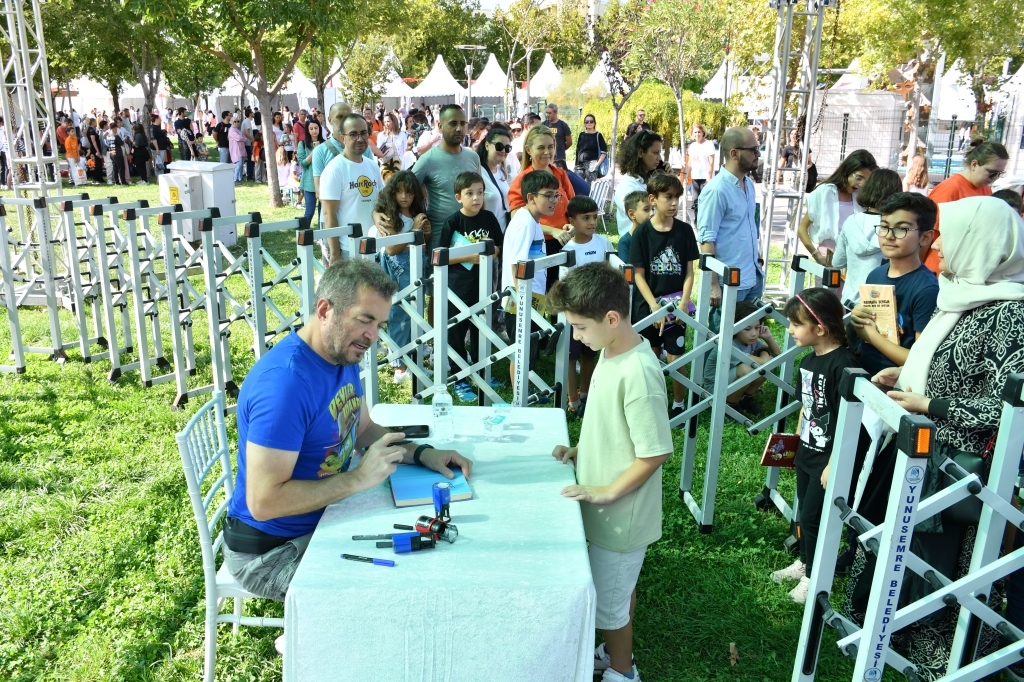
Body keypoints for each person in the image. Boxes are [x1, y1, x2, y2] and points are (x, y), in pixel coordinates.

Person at [222, 258, 473, 610]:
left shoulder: (340, 357)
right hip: (271, 551)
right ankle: (308, 642)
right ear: (325, 309)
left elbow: (364, 428)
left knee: (421, 557)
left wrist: (420, 453)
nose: (373, 336)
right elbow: (263, 503)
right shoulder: (285, 385)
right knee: (391, 594)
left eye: (380, 324)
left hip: (324, 520)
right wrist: (357, 480)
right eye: (365, 320)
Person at [847, 197, 1024, 680]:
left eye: (951, 234)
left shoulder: (1012, 316)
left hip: (959, 477)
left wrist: (929, 405)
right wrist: (901, 376)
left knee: (938, 573)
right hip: (918, 455)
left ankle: (937, 660)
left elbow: (1011, 409)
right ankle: (884, 637)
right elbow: (936, 363)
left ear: (983, 244)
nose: (939, 242)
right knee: (897, 555)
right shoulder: (957, 295)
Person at [548, 262, 673, 682]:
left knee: (610, 604)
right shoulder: (609, 351)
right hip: (608, 510)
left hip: (621, 517)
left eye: (580, 327)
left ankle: (622, 671)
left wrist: (605, 493)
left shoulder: (639, 372)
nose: (576, 336)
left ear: (612, 319)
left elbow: (653, 453)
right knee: (619, 591)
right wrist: (581, 450)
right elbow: (614, 430)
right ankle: (614, 652)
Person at [770, 288, 866, 604]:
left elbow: (850, 421)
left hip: (829, 457)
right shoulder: (808, 361)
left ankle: (815, 577)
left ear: (820, 328)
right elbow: (807, 407)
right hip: (808, 451)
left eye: (796, 325)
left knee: (814, 516)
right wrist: (796, 441)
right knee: (804, 511)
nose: (789, 330)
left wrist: (833, 463)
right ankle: (805, 563)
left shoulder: (845, 365)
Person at [629, 173, 699, 416]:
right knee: (649, 356)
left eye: (677, 198)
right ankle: (650, 403)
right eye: (668, 197)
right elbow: (638, 275)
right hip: (647, 307)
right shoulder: (641, 234)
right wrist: (654, 307)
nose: (674, 203)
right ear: (653, 199)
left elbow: (690, 272)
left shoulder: (685, 231)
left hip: (677, 306)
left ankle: (679, 404)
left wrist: (683, 303)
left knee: (675, 357)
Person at [849, 192, 939, 377]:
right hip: (863, 370)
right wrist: (859, 317)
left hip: (892, 382)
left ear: (925, 238)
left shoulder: (927, 289)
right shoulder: (876, 274)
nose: (889, 236)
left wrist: (871, 336)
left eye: (901, 229)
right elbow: (870, 326)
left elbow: (920, 360)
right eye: (884, 227)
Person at [437, 171, 505, 402]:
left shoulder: (489, 218)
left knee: (481, 332)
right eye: (470, 194)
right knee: (456, 334)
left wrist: (489, 252)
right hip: (457, 290)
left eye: (480, 193)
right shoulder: (453, 222)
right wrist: (467, 256)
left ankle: (482, 371)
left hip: (484, 288)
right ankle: (459, 379)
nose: (476, 198)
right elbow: (440, 256)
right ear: (459, 197)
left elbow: (498, 246)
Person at [696, 127, 764, 322]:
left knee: (747, 344)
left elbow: (747, 225)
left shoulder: (749, 184)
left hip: (752, 276)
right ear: (734, 153)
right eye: (753, 150)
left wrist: (756, 259)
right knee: (722, 345)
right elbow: (707, 241)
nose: (757, 154)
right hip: (728, 283)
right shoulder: (716, 190)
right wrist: (713, 284)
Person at [372, 171, 431, 384]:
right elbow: (391, 249)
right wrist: (414, 231)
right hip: (400, 267)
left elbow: (425, 238)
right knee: (399, 314)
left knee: (416, 311)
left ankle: (413, 355)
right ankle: (400, 366)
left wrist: (425, 230)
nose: (404, 196)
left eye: (409, 192)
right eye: (399, 192)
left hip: (418, 264)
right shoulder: (390, 216)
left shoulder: (414, 213)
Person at [503, 170, 559, 381]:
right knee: (520, 349)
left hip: (532, 295)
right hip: (521, 298)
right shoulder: (525, 223)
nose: (554, 200)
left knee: (530, 345)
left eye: (556, 195)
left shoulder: (533, 221)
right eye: (548, 195)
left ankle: (525, 388)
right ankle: (519, 395)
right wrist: (522, 299)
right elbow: (517, 265)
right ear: (531, 197)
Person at [561, 196, 613, 417]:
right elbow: (565, 283)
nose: (592, 222)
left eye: (594, 217)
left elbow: (613, 272)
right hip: (576, 313)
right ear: (572, 220)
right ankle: (572, 399)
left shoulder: (604, 243)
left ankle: (586, 394)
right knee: (571, 356)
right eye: (585, 218)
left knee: (590, 353)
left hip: (598, 312)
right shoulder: (567, 249)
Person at [924, 140, 1009, 274]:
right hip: (939, 269)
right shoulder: (949, 189)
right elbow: (927, 234)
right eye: (992, 172)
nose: (995, 178)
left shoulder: (986, 189)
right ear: (974, 164)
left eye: (1000, 174)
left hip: (965, 268)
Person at [507, 126, 576, 287]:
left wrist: (571, 225)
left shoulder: (560, 174)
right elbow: (517, 218)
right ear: (528, 150)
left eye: (550, 147)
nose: (547, 152)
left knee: (560, 300)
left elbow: (573, 205)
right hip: (536, 247)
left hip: (564, 243)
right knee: (537, 298)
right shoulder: (522, 180)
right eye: (541, 147)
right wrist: (552, 230)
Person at [407, 104, 481, 253]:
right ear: (440, 125)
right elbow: (404, 191)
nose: (459, 128)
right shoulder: (427, 160)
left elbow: (480, 195)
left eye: (462, 123)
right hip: (440, 239)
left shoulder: (473, 157)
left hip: (471, 237)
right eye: (453, 123)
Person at [320, 114, 384, 265]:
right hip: (348, 249)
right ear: (343, 138)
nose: (360, 139)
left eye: (363, 133)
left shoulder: (372, 165)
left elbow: (381, 202)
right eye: (353, 134)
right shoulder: (335, 169)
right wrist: (335, 254)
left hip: (375, 246)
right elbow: (329, 214)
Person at [798, 149, 877, 266]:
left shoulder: (862, 196)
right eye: (859, 178)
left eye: (867, 180)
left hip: (856, 256)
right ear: (847, 170)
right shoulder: (825, 192)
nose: (861, 184)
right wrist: (816, 255)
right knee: (829, 285)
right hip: (829, 254)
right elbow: (802, 228)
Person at [701, 301, 781, 416]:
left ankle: (745, 399)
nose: (754, 333)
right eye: (747, 329)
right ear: (735, 328)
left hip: (730, 382)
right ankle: (731, 405)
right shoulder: (729, 345)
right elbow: (764, 361)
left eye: (757, 327)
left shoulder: (750, 341)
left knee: (767, 365)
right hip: (715, 389)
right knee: (746, 369)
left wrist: (768, 338)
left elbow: (777, 354)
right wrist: (765, 353)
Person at [613, 131, 662, 237]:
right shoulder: (628, 186)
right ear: (640, 152)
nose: (659, 158)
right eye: (655, 153)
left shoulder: (650, 181)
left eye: (659, 153)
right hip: (636, 246)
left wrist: (668, 180)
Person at [311, 103, 349, 221]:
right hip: (332, 219)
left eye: (349, 117)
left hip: (359, 217)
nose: (345, 121)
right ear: (329, 120)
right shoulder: (320, 151)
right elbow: (319, 193)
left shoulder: (364, 149)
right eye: (340, 117)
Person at [477, 128, 512, 230]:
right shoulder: (478, 172)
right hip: (486, 233)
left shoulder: (501, 170)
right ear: (487, 145)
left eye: (507, 148)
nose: (503, 151)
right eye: (499, 146)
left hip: (504, 231)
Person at [687, 124, 717, 224]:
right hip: (695, 177)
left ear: (703, 133)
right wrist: (686, 175)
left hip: (705, 177)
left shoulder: (708, 144)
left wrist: (709, 174)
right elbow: (690, 163)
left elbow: (712, 161)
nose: (697, 134)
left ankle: (706, 222)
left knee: (705, 201)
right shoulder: (692, 146)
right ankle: (697, 222)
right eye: (695, 132)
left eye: (699, 132)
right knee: (695, 201)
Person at [297, 120, 324, 225]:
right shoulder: (302, 144)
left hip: (323, 182)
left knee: (323, 213)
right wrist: (314, 152)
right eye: (311, 128)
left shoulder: (325, 143)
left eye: (316, 128)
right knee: (309, 212)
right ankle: (304, 236)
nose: (314, 131)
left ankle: (321, 238)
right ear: (307, 130)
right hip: (309, 183)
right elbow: (302, 164)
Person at [617, 190, 652, 265]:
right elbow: (627, 270)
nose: (652, 213)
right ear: (632, 214)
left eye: (653, 209)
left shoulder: (656, 237)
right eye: (646, 209)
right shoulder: (625, 242)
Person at [575, 113, 608, 184]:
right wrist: (576, 164)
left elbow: (604, 152)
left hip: (592, 164)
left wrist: (596, 165)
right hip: (580, 165)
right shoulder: (581, 134)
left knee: (590, 187)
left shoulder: (598, 135)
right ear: (584, 124)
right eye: (587, 122)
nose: (589, 123)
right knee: (578, 185)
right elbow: (578, 150)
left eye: (591, 121)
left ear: (594, 123)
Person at [228, 115, 247, 183]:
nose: (237, 123)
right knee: (238, 164)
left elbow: (244, 138)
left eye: (238, 121)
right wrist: (242, 138)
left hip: (241, 149)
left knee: (241, 164)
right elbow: (239, 138)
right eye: (235, 121)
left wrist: (242, 138)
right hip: (236, 149)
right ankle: (235, 178)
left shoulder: (237, 129)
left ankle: (240, 178)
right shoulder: (231, 130)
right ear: (232, 122)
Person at [242, 108, 256, 181]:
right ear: (250, 114)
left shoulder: (248, 121)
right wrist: (253, 140)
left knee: (250, 160)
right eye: (252, 112)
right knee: (251, 160)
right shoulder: (247, 121)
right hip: (247, 144)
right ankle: (249, 176)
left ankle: (249, 175)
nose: (253, 114)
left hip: (248, 143)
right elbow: (247, 133)